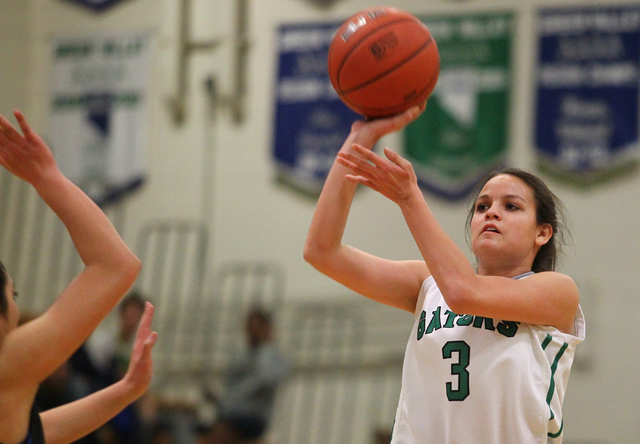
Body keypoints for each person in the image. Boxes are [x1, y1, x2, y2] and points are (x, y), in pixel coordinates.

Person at [303, 106, 585, 443]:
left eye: (511, 206)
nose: (492, 212)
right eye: (482, 207)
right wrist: (358, 140)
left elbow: (464, 294)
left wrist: (409, 197)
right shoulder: (429, 285)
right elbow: (322, 251)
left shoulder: (556, 293)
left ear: (542, 233)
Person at [0, 109, 157, 444]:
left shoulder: (9, 391)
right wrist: (46, 176)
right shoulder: (6, 366)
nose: (19, 309)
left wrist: (127, 390)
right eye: (12, 297)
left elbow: (39, 433)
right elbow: (115, 265)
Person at [200, 308, 290, 444]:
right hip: (229, 413)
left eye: (256, 326)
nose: (251, 330)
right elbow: (229, 383)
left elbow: (265, 379)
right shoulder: (242, 355)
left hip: (252, 417)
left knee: (221, 433)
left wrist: (266, 345)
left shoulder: (272, 355)